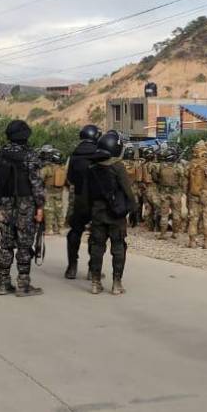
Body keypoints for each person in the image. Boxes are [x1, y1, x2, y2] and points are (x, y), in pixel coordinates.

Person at [0, 120, 45, 297]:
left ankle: (4, 283)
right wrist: (40, 207)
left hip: (4, 203)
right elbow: (37, 184)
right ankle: (23, 285)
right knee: (24, 244)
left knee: (5, 244)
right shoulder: (30, 156)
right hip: (25, 204)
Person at [87, 130, 136, 295]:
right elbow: (127, 191)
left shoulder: (92, 167)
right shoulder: (118, 167)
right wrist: (132, 208)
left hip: (97, 212)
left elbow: (87, 193)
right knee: (118, 247)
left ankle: (95, 283)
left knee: (97, 247)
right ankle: (116, 283)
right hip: (116, 213)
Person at [65, 124, 102, 280]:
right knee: (96, 234)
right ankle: (92, 270)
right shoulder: (100, 155)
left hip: (78, 198)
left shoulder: (74, 156)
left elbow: (69, 178)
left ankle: (72, 267)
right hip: (95, 200)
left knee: (74, 232)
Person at [185, 141, 207, 249]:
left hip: (192, 194)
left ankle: (192, 241)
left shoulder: (189, 164)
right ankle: (206, 241)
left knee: (193, 218)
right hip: (205, 194)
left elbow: (185, 181)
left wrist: (186, 193)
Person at [154, 147, 186, 239]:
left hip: (164, 193)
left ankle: (163, 234)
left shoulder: (160, 166)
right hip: (176, 193)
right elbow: (183, 179)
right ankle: (175, 233)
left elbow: (156, 177)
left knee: (164, 214)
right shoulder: (179, 167)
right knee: (176, 213)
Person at [39, 146, 67, 236]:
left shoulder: (47, 168)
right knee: (59, 210)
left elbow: (40, 177)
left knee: (48, 210)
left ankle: (49, 229)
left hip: (48, 192)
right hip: (59, 192)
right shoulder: (63, 168)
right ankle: (61, 228)